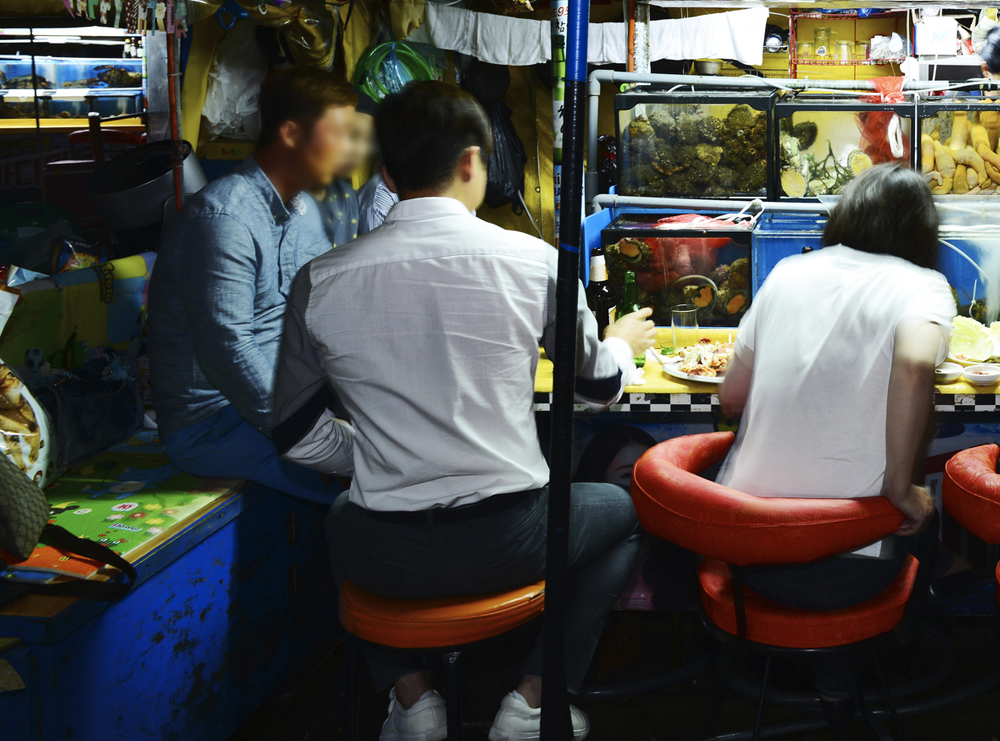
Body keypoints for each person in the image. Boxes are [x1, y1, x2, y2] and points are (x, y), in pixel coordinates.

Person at [265, 81, 657, 741]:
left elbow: (296, 436)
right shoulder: (535, 263)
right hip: (509, 543)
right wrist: (618, 342)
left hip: (384, 549)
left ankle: (413, 699)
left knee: (339, 518)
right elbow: (598, 389)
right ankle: (534, 700)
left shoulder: (320, 279)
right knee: (626, 511)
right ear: (473, 162)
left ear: (387, 175)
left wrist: (382, 457)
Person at [716, 163, 954, 731]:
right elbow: (916, 365)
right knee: (929, 516)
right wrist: (900, 487)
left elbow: (731, 397)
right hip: (849, 573)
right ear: (922, 231)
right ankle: (876, 674)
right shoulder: (923, 286)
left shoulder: (787, 273)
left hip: (749, 555)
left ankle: (832, 683)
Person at [148, 66, 358, 504]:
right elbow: (230, 350)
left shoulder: (304, 211)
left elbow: (325, 314)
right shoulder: (222, 219)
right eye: (338, 133)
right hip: (215, 423)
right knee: (370, 491)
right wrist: (315, 437)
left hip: (287, 403)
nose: (349, 148)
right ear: (291, 134)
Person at [312, 92, 379, 246]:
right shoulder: (287, 197)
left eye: (368, 140)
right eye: (352, 135)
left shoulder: (347, 196)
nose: (361, 150)